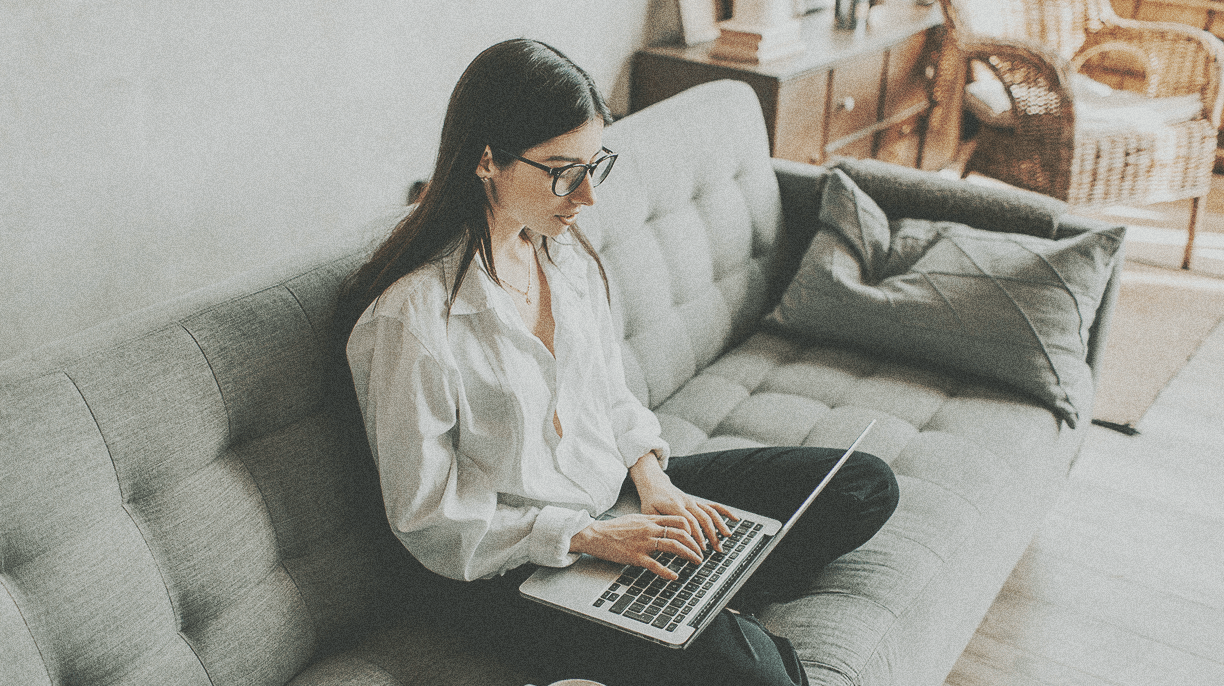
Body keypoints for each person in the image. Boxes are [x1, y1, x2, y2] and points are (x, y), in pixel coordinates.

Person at [335, 38, 899, 686]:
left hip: (616, 499)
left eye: (593, 165)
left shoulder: (560, 254)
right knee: (758, 678)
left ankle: (700, 593)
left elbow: (609, 398)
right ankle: (700, 615)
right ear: (487, 160)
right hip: (519, 567)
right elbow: (428, 520)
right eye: (562, 171)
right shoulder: (412, 322)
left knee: (862, 486)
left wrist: (655, 483)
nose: (586, 198)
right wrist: (592, 540)